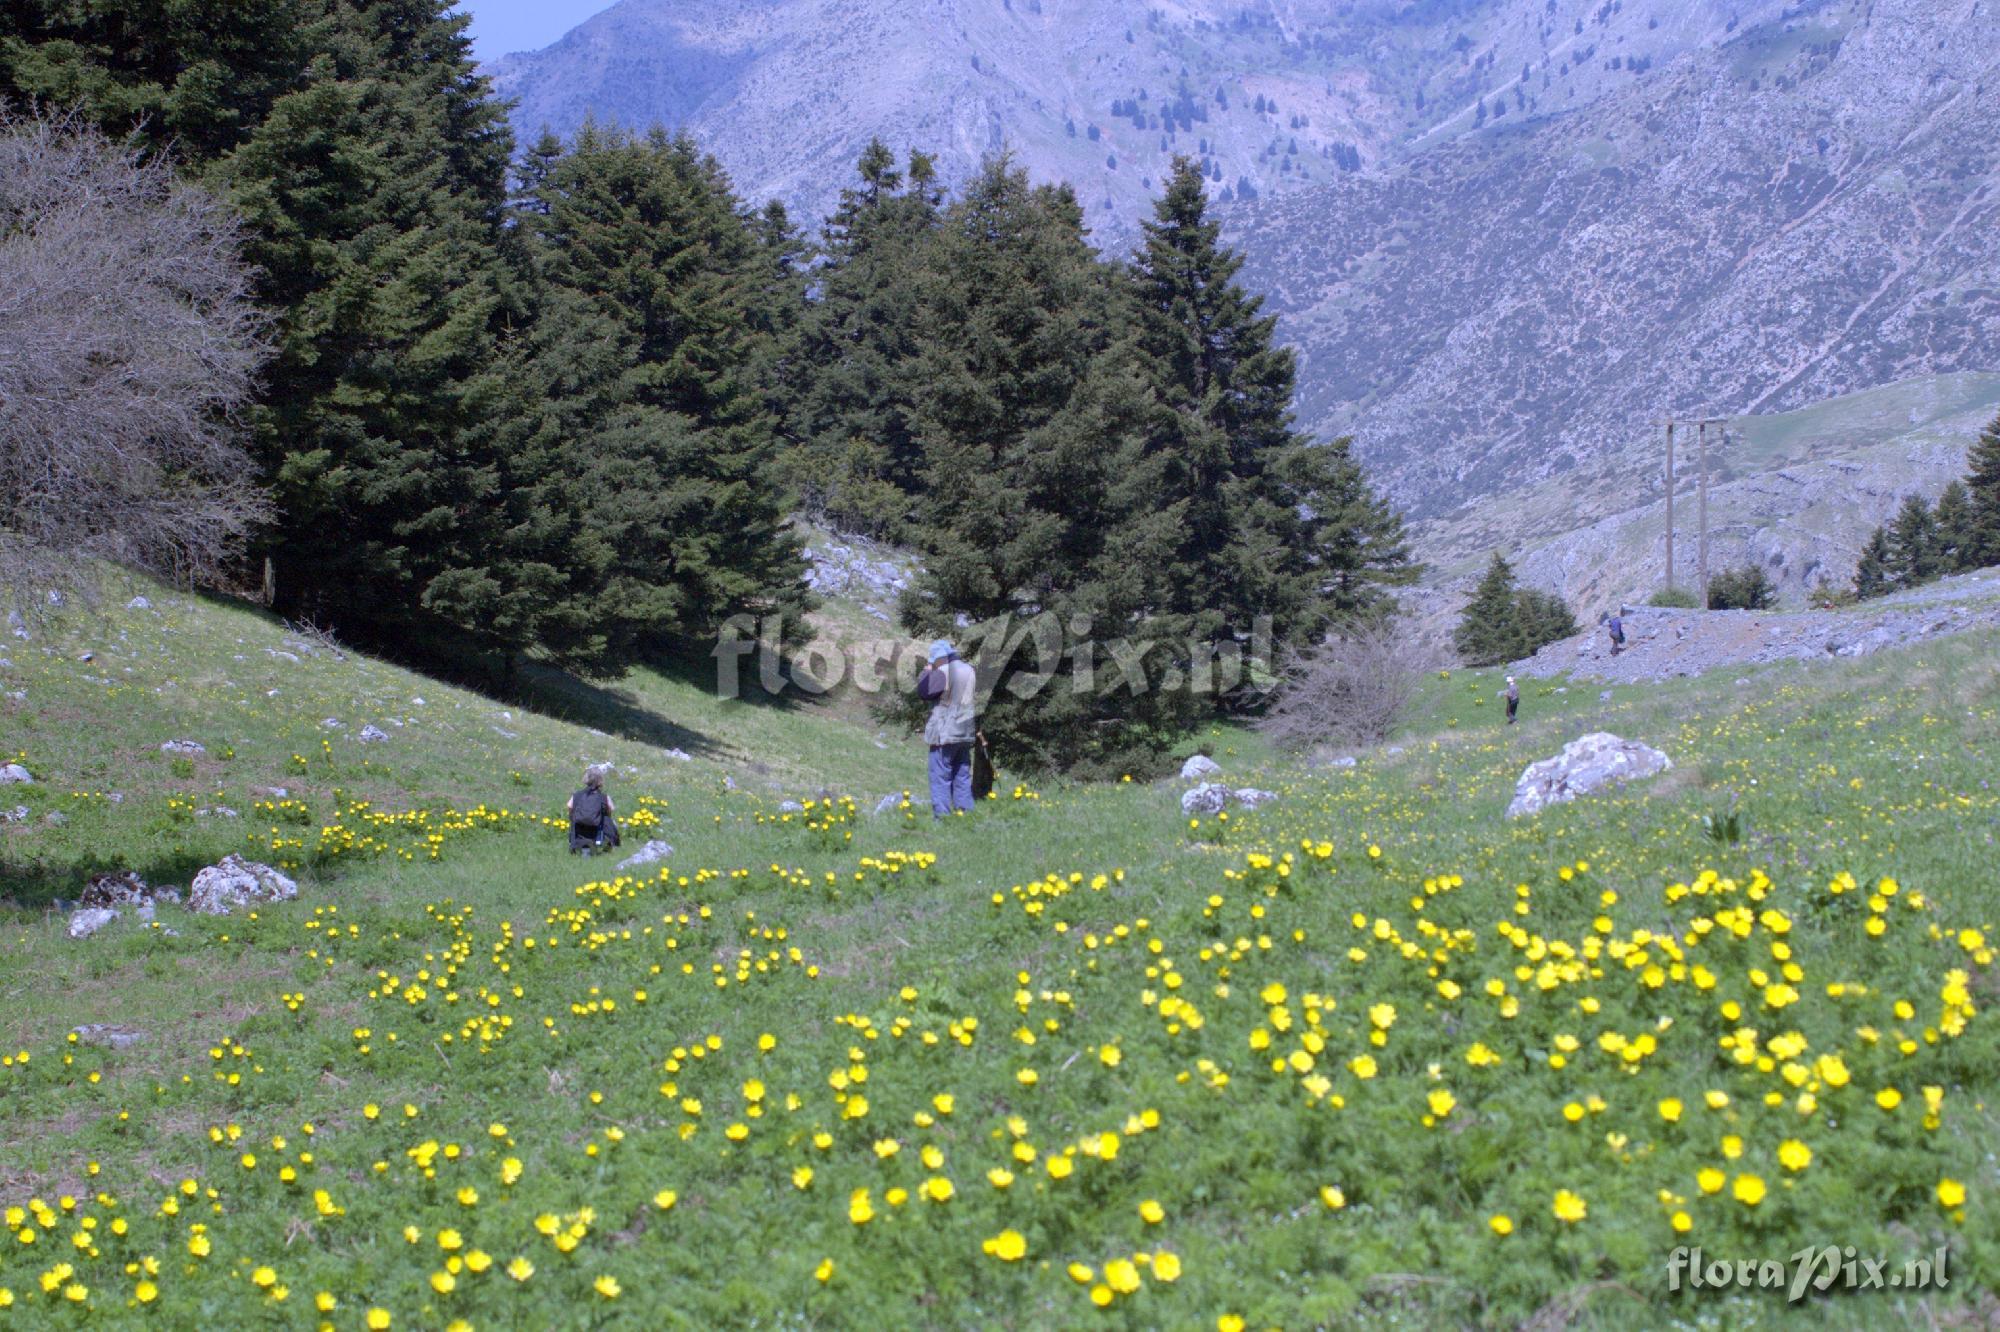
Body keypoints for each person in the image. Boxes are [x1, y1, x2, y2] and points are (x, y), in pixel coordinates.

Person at [917, 639, 978, 818]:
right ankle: (965, 815)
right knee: (962, 775)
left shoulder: (943, 672)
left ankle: (942, 818)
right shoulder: (969, 670)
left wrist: (927, 673)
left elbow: (924, 693)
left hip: (945, 733)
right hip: (965, 731)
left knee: (940, 777)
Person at [566, 766, 621, 854]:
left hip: (579, 826)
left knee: (573, 820)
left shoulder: (577, 795)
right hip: (597, 828)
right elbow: (611, 809)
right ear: (600, 780)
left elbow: (569, 806)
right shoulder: (603, 797)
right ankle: (609, 846)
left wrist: (572, 816)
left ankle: (573, 846)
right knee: (610, 821)